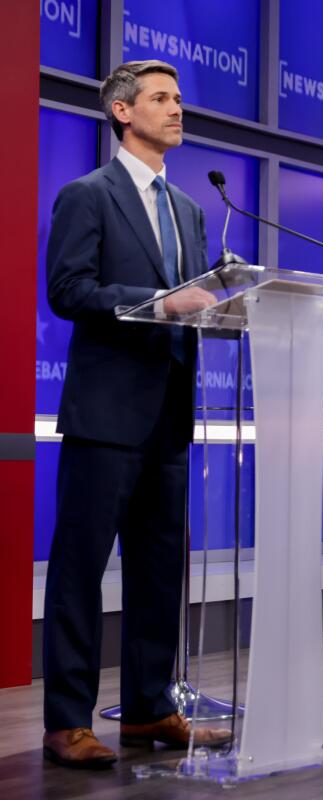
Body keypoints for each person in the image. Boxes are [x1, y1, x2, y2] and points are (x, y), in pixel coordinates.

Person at [42, 60, 228, 768]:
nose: (177, 109)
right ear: (122, 112)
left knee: (158, 572)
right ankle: (68, 722)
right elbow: (68, 290)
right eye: (161, 98)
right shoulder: (87, 195)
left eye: (179, 99)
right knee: (80, 570)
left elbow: (197, 300)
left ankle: (150, 708)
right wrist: (158, 303)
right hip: (106, 415)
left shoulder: (190, 210)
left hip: (170, 416)